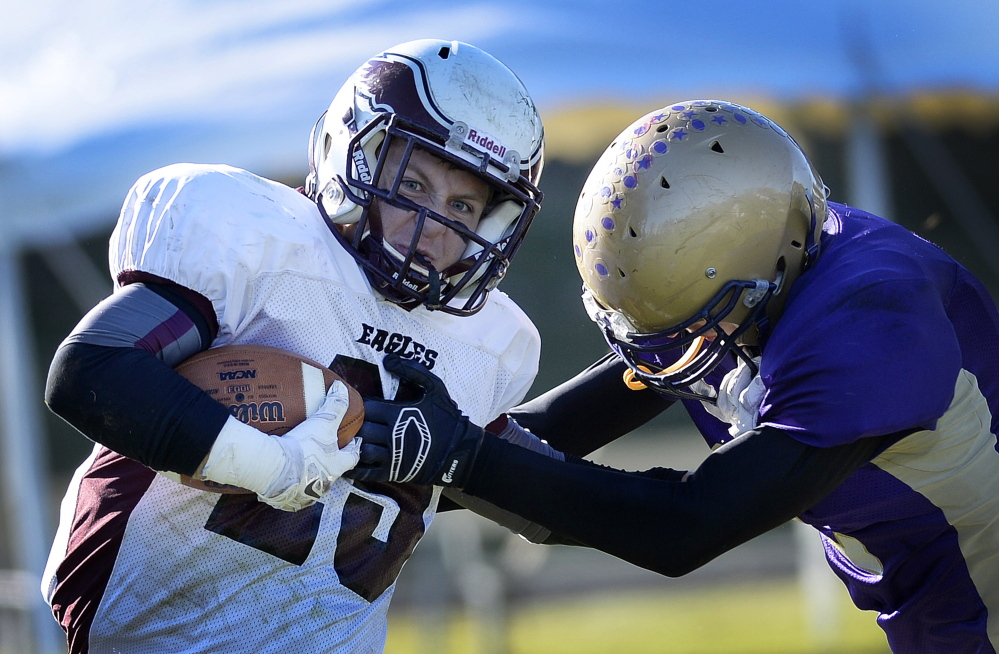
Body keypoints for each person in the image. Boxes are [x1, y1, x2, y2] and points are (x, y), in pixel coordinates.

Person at [350, 99, 999, 652]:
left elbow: (683, 526)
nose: (669, 354)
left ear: (767, 273)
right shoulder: (745, 276)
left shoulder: (869, 317)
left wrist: (456, 456)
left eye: (687, 324)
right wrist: (363, 436)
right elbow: (541, 443)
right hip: (936, 607)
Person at [41, 38, 546, 654]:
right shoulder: (260, 242)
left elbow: (532, 487)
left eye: (463, 205)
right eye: (412, 185)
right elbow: (91, 370)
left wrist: (642, 370)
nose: (432, 228)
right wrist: (268, 467)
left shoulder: (487, 342)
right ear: (347, 152)